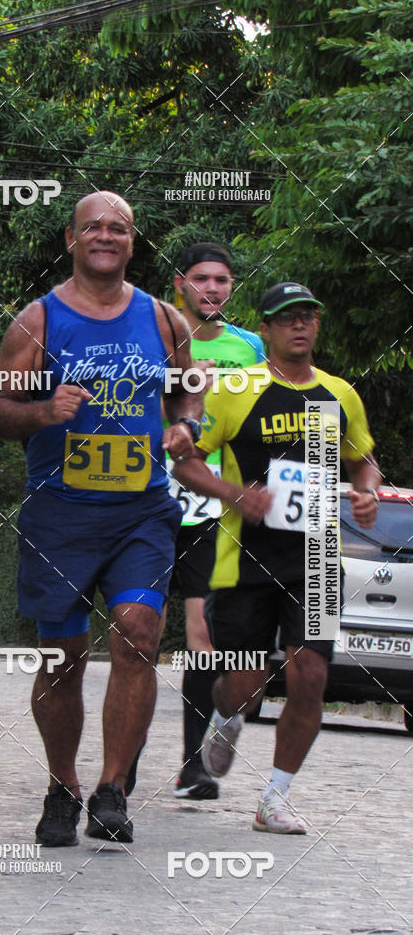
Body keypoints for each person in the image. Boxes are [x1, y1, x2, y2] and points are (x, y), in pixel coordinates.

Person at [0, 190, 200, 847]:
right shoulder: (38, 321)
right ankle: (61, 786)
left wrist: (186, 428)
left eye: (119, 228)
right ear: (72, 238)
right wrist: (43, 412)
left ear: (132, 242)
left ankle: (110, 790)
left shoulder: (165, 320)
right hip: (61, 514)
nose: (106, 236)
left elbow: (189, 389)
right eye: (93, 227)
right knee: (64, 655)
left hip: (142, 509)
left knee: (138, 629)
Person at [174, 282, 380, 834]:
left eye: (308, 316)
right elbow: (186, 465)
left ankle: (275, 798)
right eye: (286, 318)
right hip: (245, 559)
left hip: (315, 558)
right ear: (263, 329)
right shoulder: (236, 389)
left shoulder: (340, 393)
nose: (299, 325)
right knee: (247, 684)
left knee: (310, 674)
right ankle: (223, 719)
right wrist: (238, 495)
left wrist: (366, 492)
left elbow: (363, 461)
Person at [167, 242, 266, 800]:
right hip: (153, 498)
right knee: (140, 634)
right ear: (180, 282)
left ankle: (192, 766)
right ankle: (119, 774)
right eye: (201, 279)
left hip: (214, 504)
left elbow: (265, 421)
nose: (212, 289)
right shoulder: (158, 335)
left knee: (203, 633)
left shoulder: (249, 345)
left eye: (222, 281)